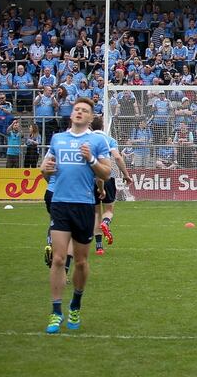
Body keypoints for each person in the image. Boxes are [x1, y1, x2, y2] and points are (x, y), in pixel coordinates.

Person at [39, 97, 112, 334]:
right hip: (60, 203)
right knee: (59, 259)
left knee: (81, 261)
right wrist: (44, 171)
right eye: (77, 109)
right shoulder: (58, 139)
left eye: (85, 111)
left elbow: (107, 173)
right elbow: (46, 172)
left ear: (91, 117)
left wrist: (90, 159)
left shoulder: (96, 140)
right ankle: (55, 311)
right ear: (71, 115)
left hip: (83, 205)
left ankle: (76, 304)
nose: (79, 113)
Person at [89, 116, 134, 256]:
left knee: (96, 213)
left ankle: (99, 247)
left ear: (91, 127)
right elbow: (118, 157)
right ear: (103, 127)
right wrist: (126, 175)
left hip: (89, 179)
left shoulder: (86, 139)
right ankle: (106, 222)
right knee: (108, 210)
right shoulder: (109, 140)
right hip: (107, 176)